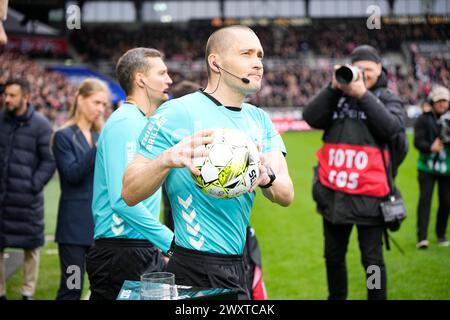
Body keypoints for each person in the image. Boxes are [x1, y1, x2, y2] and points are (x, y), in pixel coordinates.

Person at [121, 25, 294, 300]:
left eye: (260, 55)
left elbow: (286, 195)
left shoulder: (260, 120)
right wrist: (167, 159)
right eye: (247, 54)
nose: (258, 63)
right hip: (192, 268)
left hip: (240, 264)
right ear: (216, 62)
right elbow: (129, 192)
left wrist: (266, 176)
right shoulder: (176, 112)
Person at [303, 45, 408, 300]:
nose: (362, 74)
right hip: (334, 194)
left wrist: (362, 94)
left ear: (379, 69)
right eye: (357, 69)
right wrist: (332, 89)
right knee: (333, 257)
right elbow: (311, 117)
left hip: (370, 196)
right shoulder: (338, 96)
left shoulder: (387, 97)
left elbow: (391, 128)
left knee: (371, 260)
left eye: (368, 70)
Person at [86, 48, 174, 300]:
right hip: (121, 251)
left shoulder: (140, 122)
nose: (169, 79)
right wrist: (171, 242)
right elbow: (123, 200)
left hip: (138, 247)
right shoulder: (126, 124)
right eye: (162, 72)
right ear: (140, 79)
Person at [52, 78, 110, 300]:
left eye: (104, 105)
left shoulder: (98, 135)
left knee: (102, 288)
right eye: (96, 102)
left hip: (99, 227)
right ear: (81, 99)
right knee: (72, 287)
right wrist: (98, 147)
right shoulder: (63, 136)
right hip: (73, 231)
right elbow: (72, 174)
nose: (101, 109)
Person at [0, 78, 56, 300]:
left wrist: (33, 185)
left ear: (25, 97)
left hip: (27, 199)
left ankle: (27, 293)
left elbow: (48, 161)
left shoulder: (41, 125)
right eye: (6, 95)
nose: (7, 99)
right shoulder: (0, 120)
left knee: (31, 248)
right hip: (2, 198)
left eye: (12, 95)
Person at [414, 85, 450, 249]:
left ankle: (441, 234)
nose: (443, 104)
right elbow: (417, 141)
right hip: (426, 167)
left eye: (445, 101)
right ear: (433, 102)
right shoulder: (423, 119)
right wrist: (430, 147)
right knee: (425, 201)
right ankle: (422, 237)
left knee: (446, 201)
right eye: (440, 101)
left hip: (447, 168)